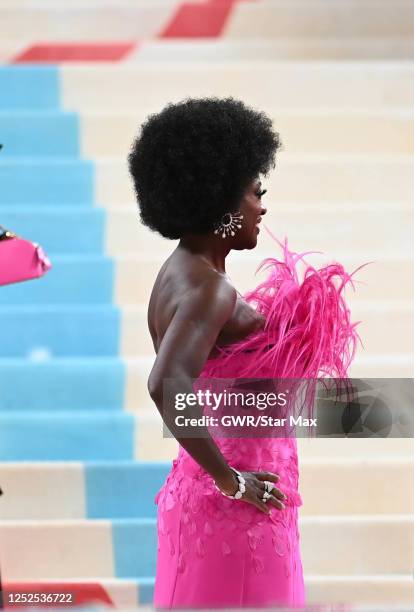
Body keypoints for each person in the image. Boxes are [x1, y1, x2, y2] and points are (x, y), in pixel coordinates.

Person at [128, 97, 361, 608]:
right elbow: (165, 385)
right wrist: (231, 481)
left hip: (207, 498)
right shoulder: (210, 288)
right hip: (238, 515)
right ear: (222, 202)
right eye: (257, 193)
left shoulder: (176, 271)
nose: (262, 207)